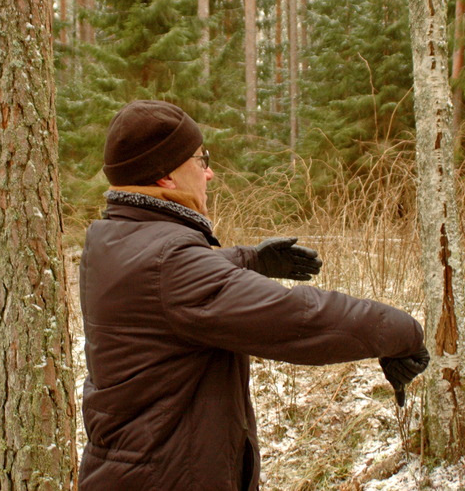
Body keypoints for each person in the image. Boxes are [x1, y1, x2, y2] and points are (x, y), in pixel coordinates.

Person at [78, 100, 430, 490]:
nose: (209, 173)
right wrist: (404, 334)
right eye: (200, 159)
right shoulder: (171, 264)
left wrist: (248, 259)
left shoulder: (111, 240)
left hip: (132, 470)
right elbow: (300, 319)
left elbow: (165, 285)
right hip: (167, 477)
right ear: (165, 177)